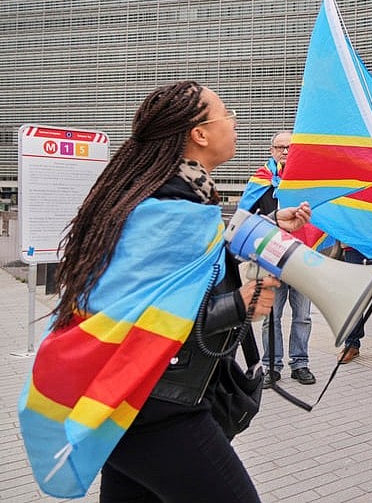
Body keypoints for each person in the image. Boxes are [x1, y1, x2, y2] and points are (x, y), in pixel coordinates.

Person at [19, 81, 309, 501]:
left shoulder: (164, 198)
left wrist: (269, 224)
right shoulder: (176, 212)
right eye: (226, 114)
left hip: (126, 403)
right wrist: (242, 304)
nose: (235, 122)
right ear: (200, 134)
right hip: (160, 408)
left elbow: (188, 264)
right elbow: (144, 323)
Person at [245, 130, 317, 387]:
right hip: (271, 260)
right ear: (271, 150)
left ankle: (300, 363)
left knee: (303, 316)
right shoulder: (260, 180)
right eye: (280, 147)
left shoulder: (307, 180)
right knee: (271, 317)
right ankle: (271, 366)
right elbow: (246, 217)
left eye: (289, 147)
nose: (285, 152)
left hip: (303, 259)